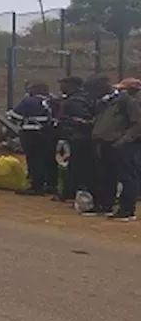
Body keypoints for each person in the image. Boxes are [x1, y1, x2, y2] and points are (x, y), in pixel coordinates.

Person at [89, 77, 141, 220]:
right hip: (107, 143)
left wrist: (123, 140)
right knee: (107, 175)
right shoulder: (107, 102)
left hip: (123, 145)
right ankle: (106, 205)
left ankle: (126, 210)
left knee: (127, 177)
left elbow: (137, 124)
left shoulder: (128, 102)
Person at [8, 82, 58, 196]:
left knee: (34, 160)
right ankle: (51, 185)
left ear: (35, 90)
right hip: (51, 134)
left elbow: (15, 116)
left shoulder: (29, 101)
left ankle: (36, 186)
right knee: (50, 159)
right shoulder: (54, 101)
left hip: (32, 134)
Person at [55, 76, 98, 206]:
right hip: (77, 137)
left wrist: (71, 132)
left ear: (72, 85)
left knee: (78, 166)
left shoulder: (77, 101)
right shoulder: (75, 99)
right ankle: (70, 192)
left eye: (64, 84)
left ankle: (76, 193)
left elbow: (79, 121)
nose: (61, 87)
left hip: (79, 138)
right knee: (73, 166)